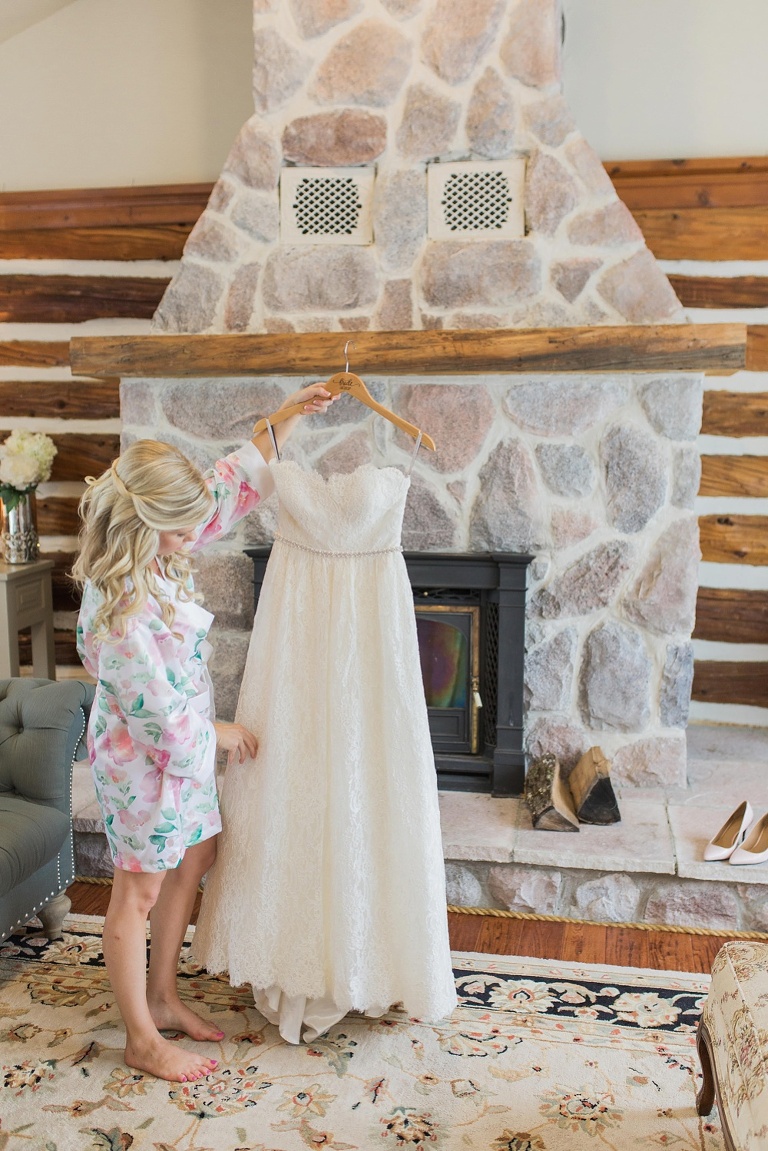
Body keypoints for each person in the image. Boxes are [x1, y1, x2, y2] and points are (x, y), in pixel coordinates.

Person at [72, 383, 334, 1084]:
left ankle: (162, 995)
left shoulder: (161, 536)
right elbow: (155, 711)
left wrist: (281, 419)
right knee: (137, 890)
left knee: (199, 852)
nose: (198, 536)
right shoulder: (120, 612)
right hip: (144, 763)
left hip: (176, 752)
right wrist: (216, 732)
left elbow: (220, 491)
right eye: (183, 530)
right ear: (140, 525)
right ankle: (140, 1035)